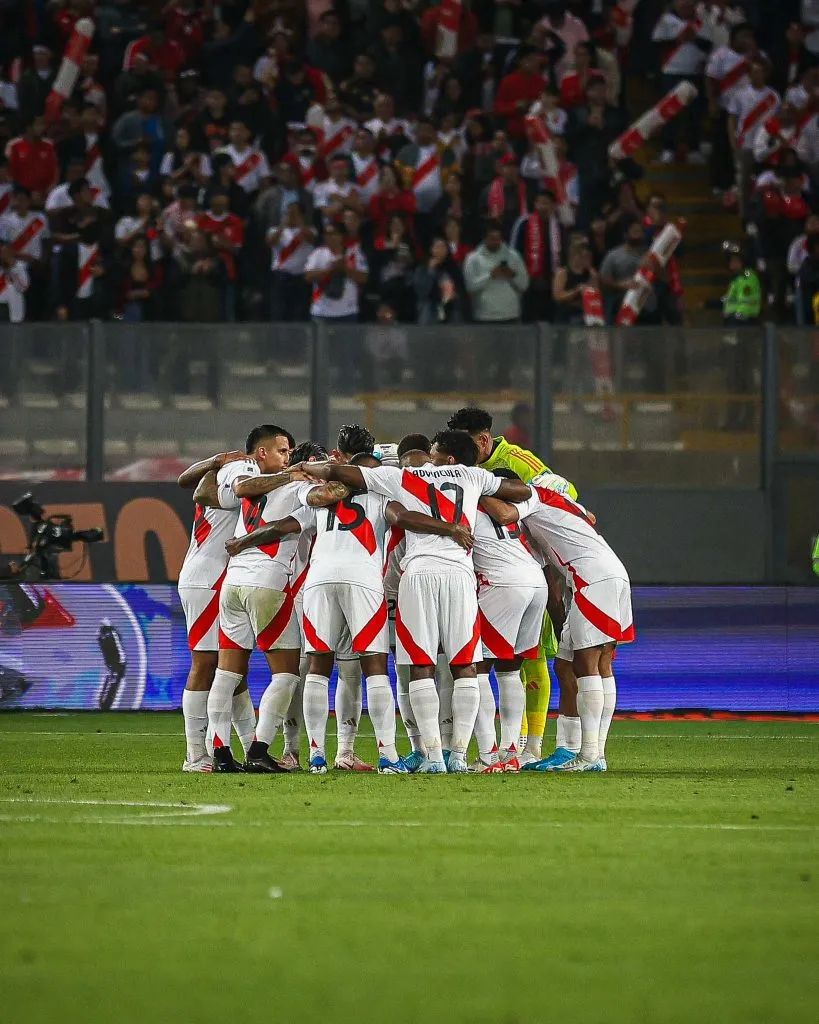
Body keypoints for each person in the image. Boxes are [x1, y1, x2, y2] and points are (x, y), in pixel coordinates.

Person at [300, 429, 531, 774]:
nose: (429, 453)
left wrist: (306, 467)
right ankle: (458, 756)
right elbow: (521, 490)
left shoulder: (405, 476)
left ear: (445, 455)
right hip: (459, 574)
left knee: (419, 665)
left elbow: (341, 473)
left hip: (418, 573)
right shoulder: (474, 475)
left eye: (434, 449)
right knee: (464, 664)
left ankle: (433, 757)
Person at [226, 452, 410, 775]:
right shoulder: (381, 495)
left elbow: (279, 527)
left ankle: (316, 756)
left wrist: (242, 541)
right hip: (362, 580)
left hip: (319, 579)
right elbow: (401, 517)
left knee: (318, 668)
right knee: (374, 667)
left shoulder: (319, 502)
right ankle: (389, 756)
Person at [447, 404, 577, 764]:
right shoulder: (467, 467)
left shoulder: (519, 461)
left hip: (529, 569)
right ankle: (516, 744)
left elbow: (564, 492)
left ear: (485, 440)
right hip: (516, 573)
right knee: (512, 663)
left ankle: (528, 743)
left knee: (523, 660)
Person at [175, 449, 255, 772]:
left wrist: (213, 463)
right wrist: (217, 462)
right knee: (206, 662)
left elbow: (188, 481)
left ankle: (252, 749)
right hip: (207, 578)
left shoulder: (235, 473)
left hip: (223, 578)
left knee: (235, 668)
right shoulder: (242, 475)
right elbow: (197, 489)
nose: (286, 456)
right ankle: (195, 754)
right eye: (282, 450)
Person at [468, 467, 550, 773]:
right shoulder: (524, 510)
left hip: (502, 584)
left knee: (475, 669)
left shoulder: (471, 505)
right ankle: (511, 751)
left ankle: (489, 754)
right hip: (535, 583)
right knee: (510, 669)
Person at [463, 221, 529, 387]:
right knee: (484, 356)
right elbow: (470, 285)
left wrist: (511, 275)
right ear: (485, 239)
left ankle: (504, 386)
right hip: (485, 315)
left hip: (509, 314)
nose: (495, 242)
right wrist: (490, 275)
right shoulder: (473, 258)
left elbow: (524, 284)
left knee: (507, 357)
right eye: (491, 238)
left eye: (498, 238)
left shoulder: (513, 256)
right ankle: (483, 386)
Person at [651, 0, 709, 164]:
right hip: (672, 71)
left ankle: (694, 148)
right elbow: (656, 45)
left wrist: (695, 38)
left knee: (695, 113)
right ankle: (669, 148)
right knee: (670, 113)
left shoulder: (703, 21)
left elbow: (710, 45)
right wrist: (678, 40)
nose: (685, 5)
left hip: (696, 72)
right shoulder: (666, 20)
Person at [721, 240, 762, 429]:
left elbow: (745, 307)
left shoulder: (747, 277)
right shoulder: (737, 279)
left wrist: (735, 321)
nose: (731, 265)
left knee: (742, 378)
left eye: (734, 261)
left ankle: (743, 421)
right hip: (734, 332)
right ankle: (734, 419)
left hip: (743, 333)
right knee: (734, 379)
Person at [512, 189, 564, 322]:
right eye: (539, 203)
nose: (542, 207)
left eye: (546, 203)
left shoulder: (559, 226)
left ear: (553, 206)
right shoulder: (524, 223)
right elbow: (514, 253)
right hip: (529, 283)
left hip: (551, 284)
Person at [304, 222, 368, 323]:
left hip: (347, 312)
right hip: (321, 312)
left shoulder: (354, 253)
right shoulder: (318, 253)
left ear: (341, 236)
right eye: (326, 234)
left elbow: (363, 278)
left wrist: (345, 268)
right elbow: (308, 277)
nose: (329, 237)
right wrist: (330, 269)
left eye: (333, 234)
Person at [268, 201, 315, 322]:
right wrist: (283, 226)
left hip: (301, 278)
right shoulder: (275, 230)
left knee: (300, 313)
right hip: (281, 277)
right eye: (288, 213)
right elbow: (270, 242)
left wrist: (300, 224)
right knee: (279, 312)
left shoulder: (310, 230)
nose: (291, 216)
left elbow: (312, 239)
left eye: (295, 213)